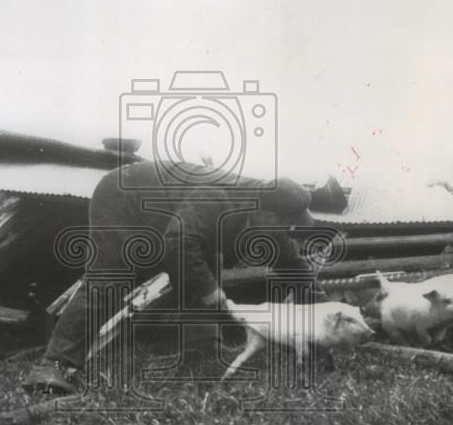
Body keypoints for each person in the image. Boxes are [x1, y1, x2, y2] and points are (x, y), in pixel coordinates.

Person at [23, 160, 329, 394]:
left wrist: (327, 324)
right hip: (124, 196)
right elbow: (177, 242)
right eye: (286, 225)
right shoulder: (218, 198)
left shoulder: (269, 220)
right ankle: (53, 366)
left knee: (199, 267)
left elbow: (297, 271)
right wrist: (211, 289)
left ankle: (201, 351)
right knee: (110, 278)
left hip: (173, 220)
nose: (288, 233)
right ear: (269, 214)